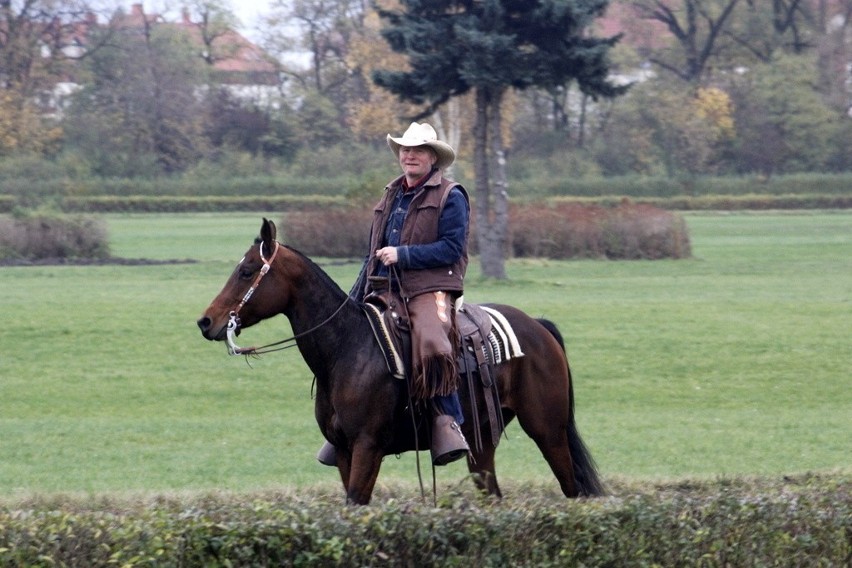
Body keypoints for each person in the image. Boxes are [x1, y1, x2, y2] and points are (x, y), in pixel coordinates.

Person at [318, 122, 471, 467]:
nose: (409, 155)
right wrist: (356, 293)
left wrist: (403, 255)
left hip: (429, 286)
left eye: (417, 150)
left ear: (433, 157)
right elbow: (374, 249)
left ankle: (447, 423)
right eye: (405, 150)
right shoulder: (391, 194)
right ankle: (344, 425)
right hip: (384, 286)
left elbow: (451, 248)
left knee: (432, 343)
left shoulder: (451, 195)